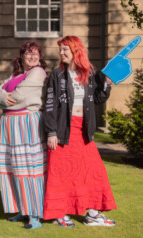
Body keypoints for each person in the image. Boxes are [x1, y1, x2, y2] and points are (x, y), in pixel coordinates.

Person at [43, 36, 117, 227]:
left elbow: (98, 99)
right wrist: (51, 132)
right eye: (60, 50)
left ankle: (92, 214)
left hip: (84, 131)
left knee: (94, 172)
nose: (61, 53)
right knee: (61, 173)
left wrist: (106, 82)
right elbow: (49, 106)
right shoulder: (57, 75)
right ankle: (60, 214)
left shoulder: (89, 72)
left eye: (65, 50)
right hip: (62, 131)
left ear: (76, 51)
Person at [0, 41, 47, 229]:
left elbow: (20, 97)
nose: (32, 57)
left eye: (36, 54)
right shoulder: (16, 74)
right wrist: (1, 96)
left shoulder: (38, 72)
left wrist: (3, 101)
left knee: (29, 169)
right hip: (9, 125)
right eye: (28, 53)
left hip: (26, 123)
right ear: (22, 56)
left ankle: (34, 215)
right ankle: (22, 209)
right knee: (13, 168)